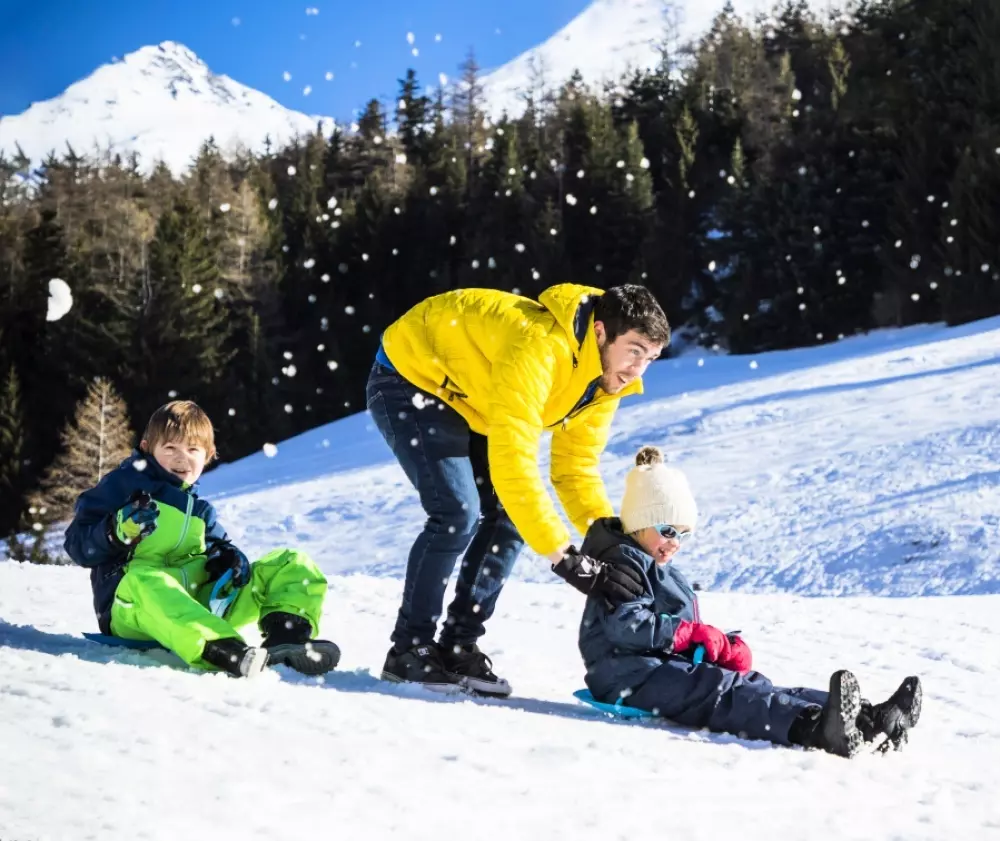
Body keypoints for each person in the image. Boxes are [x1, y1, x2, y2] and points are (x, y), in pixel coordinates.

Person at [367, 284, 671, 696]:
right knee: (456, 513)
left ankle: (458, 645)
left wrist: (615, 546)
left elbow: (575, 469)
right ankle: (409, 650)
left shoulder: (604, 383)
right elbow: (514, 462)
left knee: (510, 517)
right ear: (600, 332)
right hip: (412, 378)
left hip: (475, 399)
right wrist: (566, 559)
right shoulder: (541, 348)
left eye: (650, 358)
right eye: (634, 351)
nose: (638, 370)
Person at [578, 445, 923, 756]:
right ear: (640, 522)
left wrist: (719, 647)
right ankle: (815, 728)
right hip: (626, 677)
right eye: (668, 531)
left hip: (654, 669)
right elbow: (628, 626)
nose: (675, 543)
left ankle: (866, 718)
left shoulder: (652, 564)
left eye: (683, 535)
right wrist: (691, 635)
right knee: (721, 690)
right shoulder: (621, 564)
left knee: (754, 684)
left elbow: (671, 630)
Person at [64, 400, 340, 679]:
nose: (181, 458)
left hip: (195, 607)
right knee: (146, 580)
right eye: (170, 448)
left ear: (208, 455)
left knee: (289, 562)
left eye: (192, 449)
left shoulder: (201, 512)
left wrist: (230, 559)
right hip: (133, 609)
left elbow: (222, 547)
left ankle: (287, 637)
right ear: (147, 448)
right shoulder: (123, 486)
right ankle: (224, 650)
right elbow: (76, 544)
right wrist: (115, 531)